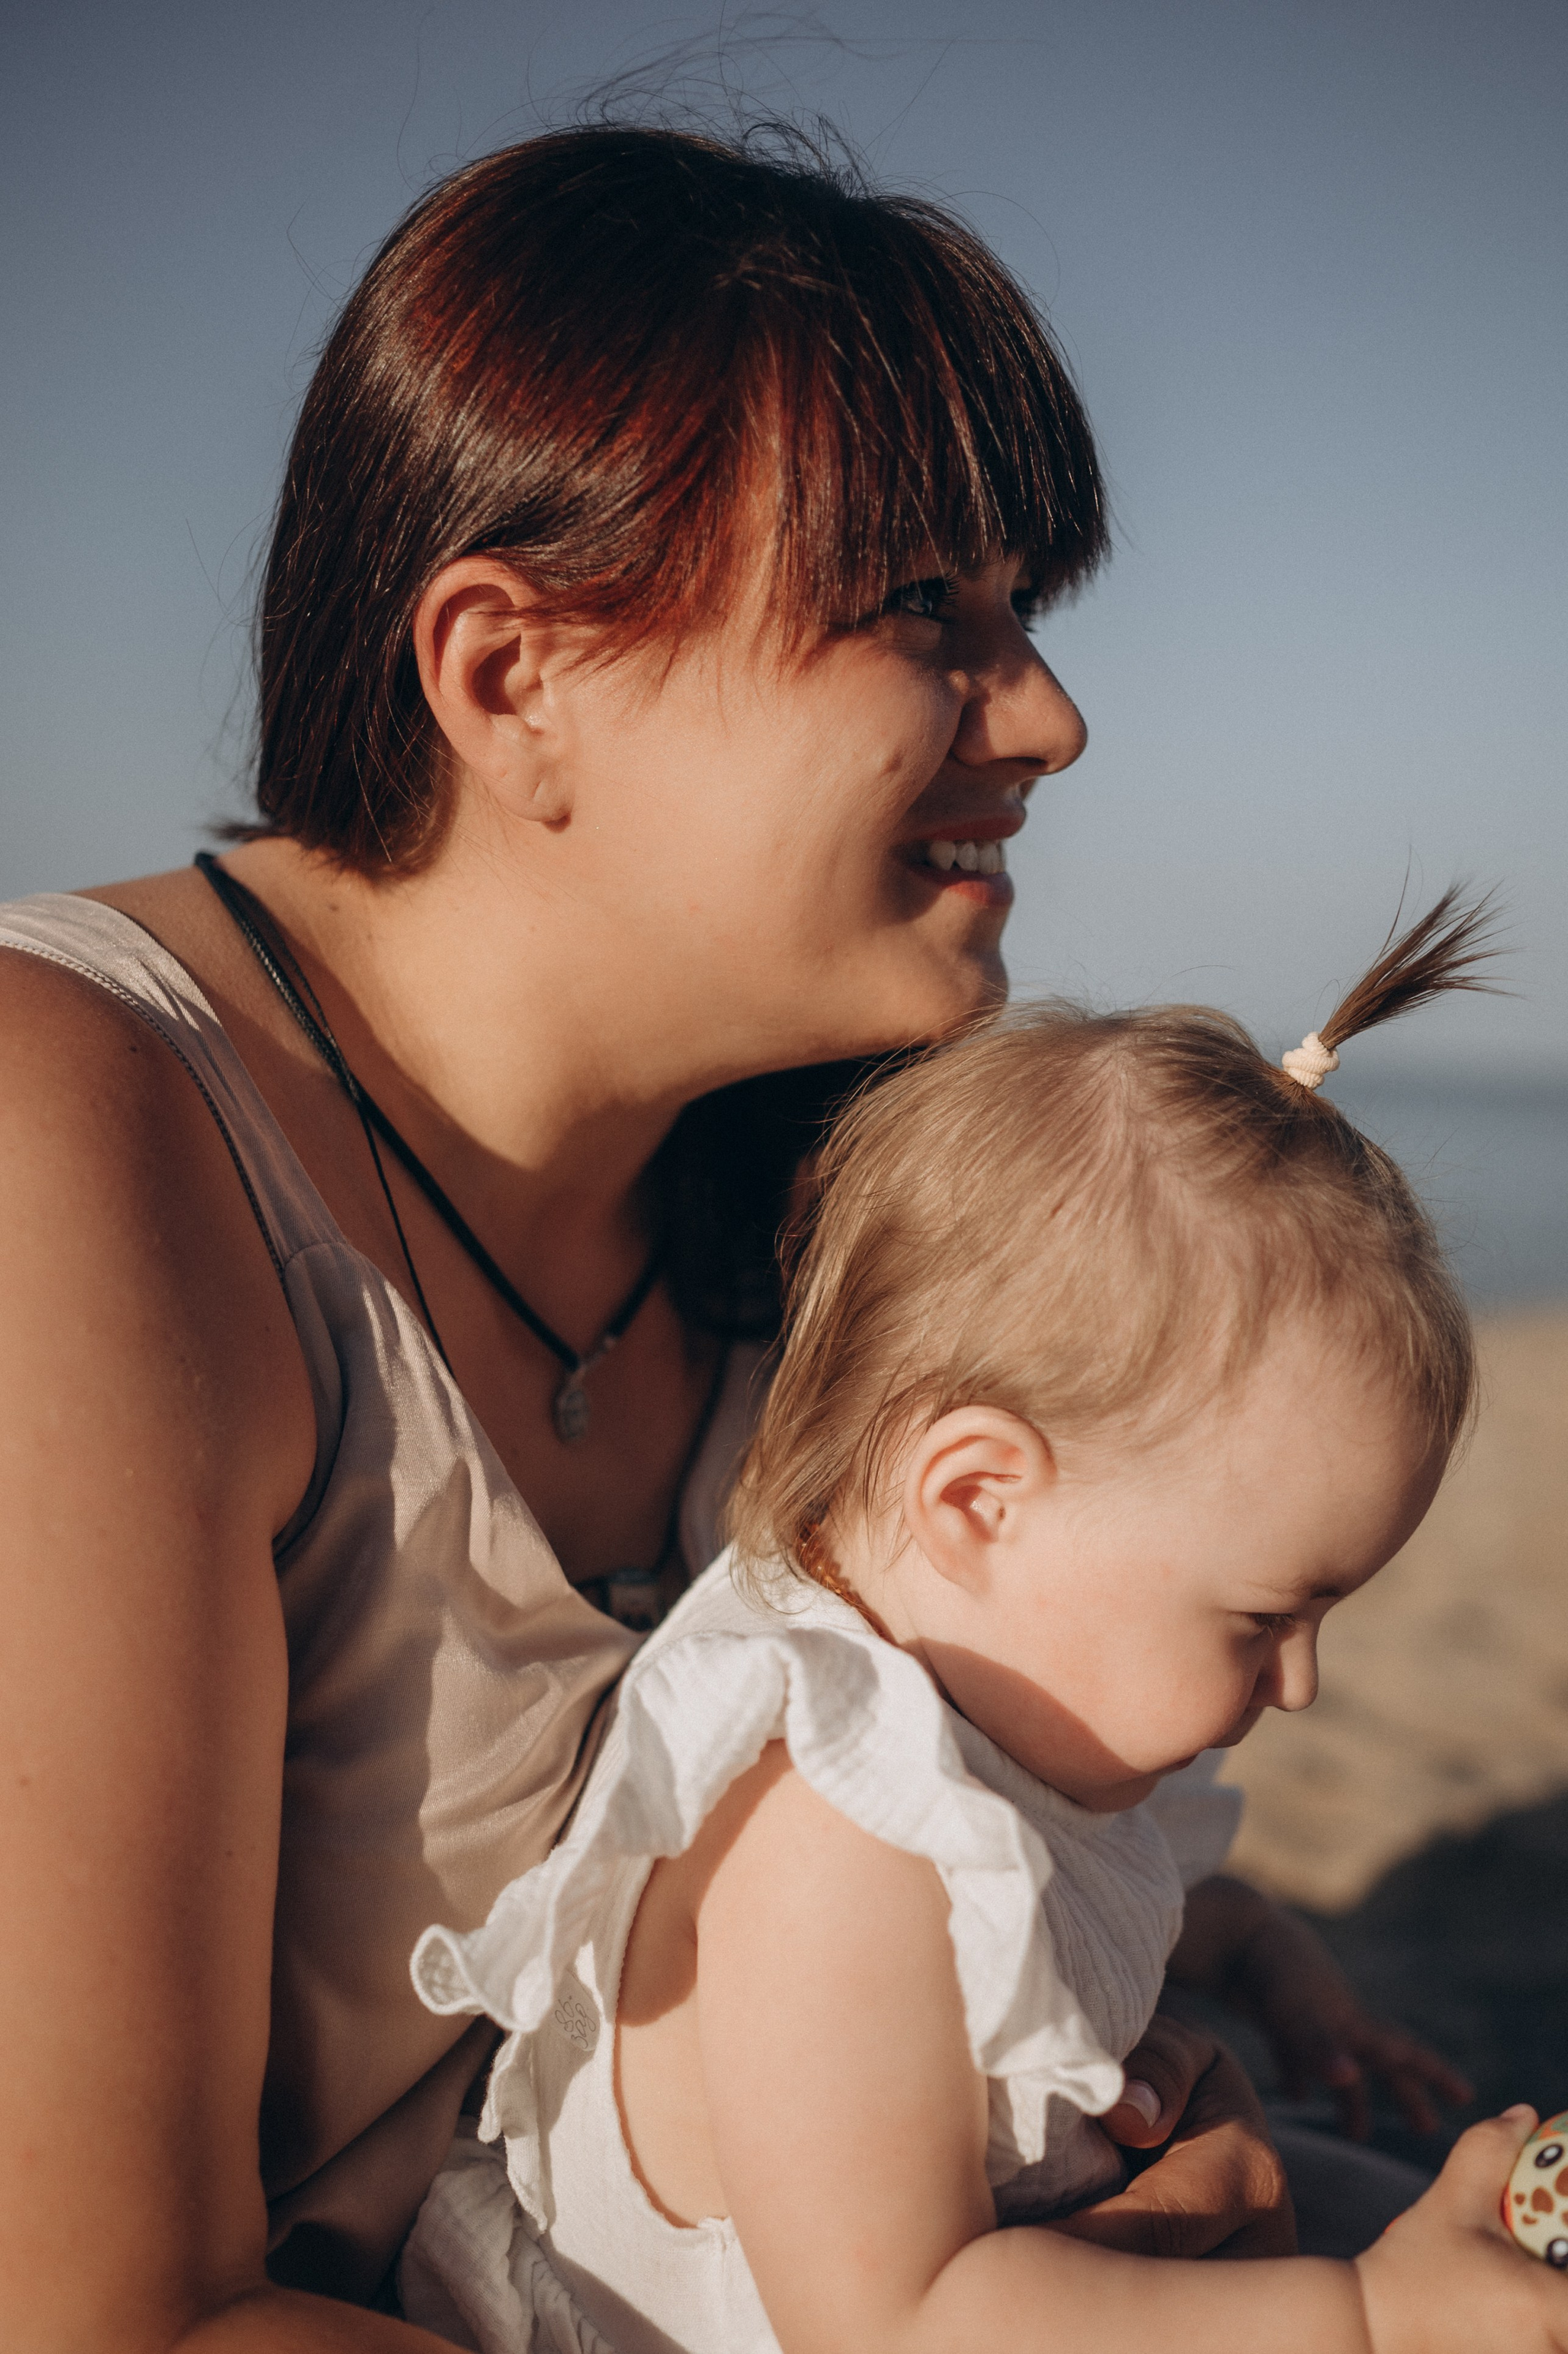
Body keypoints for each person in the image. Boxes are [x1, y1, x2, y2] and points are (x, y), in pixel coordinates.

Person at [0, 120, 1478, 2354]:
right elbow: (104, 2322)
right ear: (511, 678)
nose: (1054, 717)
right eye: (923, 610)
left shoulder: (826, 1177)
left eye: (1028, 611)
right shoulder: (78, 1136)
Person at [400, 896, 1567, 2354]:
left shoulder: (963, 1727)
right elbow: (898, 2320)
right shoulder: (831, 1845)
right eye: (1266, 1616)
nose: (1300, 1686)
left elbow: (1030, 1923)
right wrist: (1365, 2315)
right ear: (975, 1499)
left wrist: (1253, 1947)